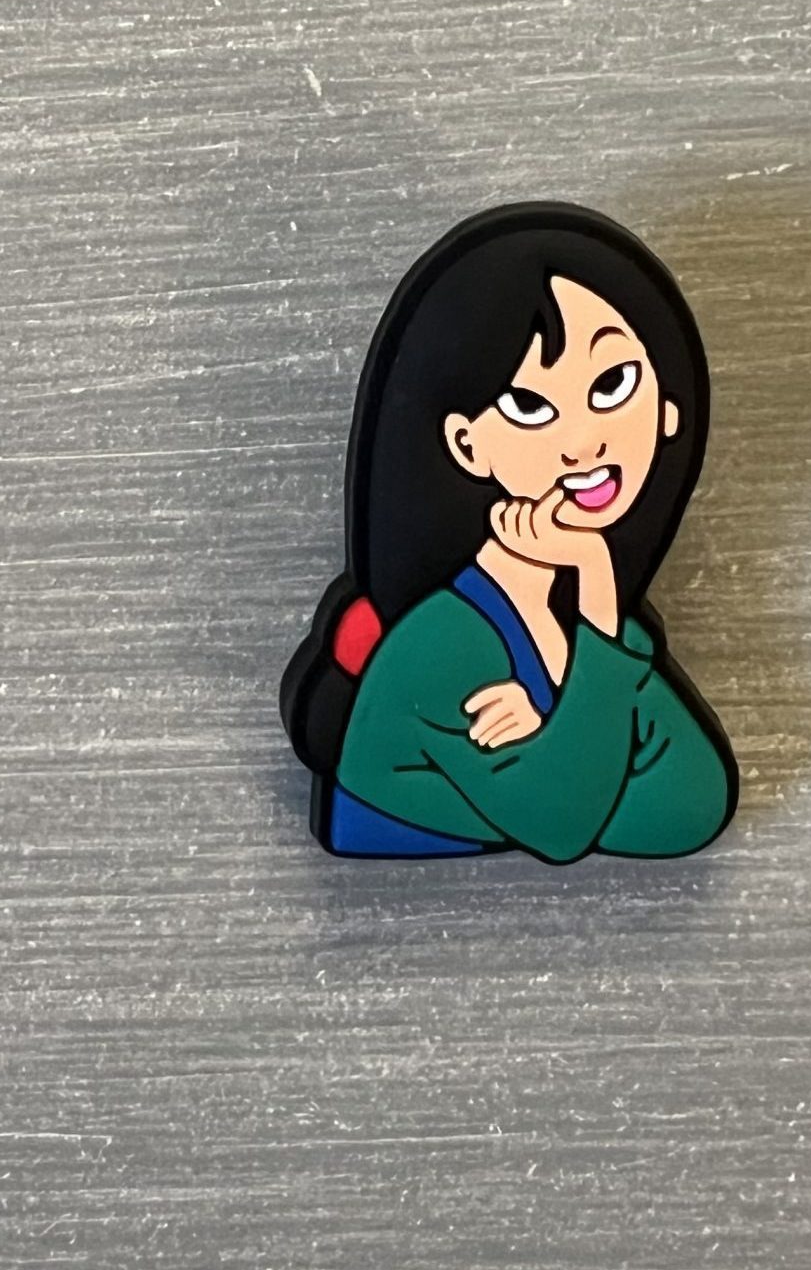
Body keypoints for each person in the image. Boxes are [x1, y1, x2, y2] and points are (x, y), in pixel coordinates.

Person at [281, 203, 737, 862]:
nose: (583, 444)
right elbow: (565, 825)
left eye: (613, 385)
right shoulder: (443, 641)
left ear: (667, 410)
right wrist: (594, 594)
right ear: (467, 443)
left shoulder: (570, 617)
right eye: (528, 406)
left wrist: (556, 732)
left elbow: (694, 798)